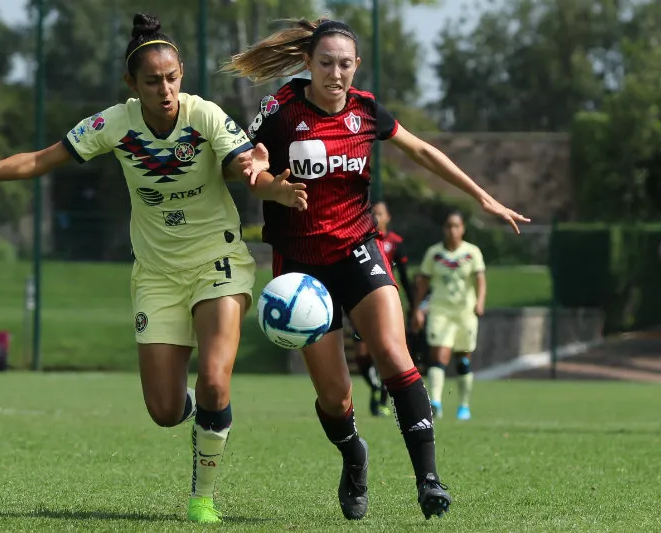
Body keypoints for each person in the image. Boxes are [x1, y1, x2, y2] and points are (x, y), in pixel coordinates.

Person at [0, 13, 304, 524]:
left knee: (214, 381)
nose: (165, 89)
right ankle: (204, 412)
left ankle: (203, 495)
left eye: (173, 77)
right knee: (163, 410)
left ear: (182, 74)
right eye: (153, 80)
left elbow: (245, 167)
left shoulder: (204, 116)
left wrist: (269, 183)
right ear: (132, 85)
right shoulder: (113, 124)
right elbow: (37, 161)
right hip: (157, 275)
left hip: (216, 262)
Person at [224, 18, 529, 521]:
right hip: (301, 267)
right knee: (335, 395)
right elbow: (245, 168)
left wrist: (482, 197)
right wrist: (267, 185)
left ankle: (429, 479)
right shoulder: (280, 110)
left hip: (358, 251)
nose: (335, 73)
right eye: (326, 63)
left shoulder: (366, 111)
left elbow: (423, 151)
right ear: (309, 64)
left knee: (394, 353)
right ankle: (354, 456)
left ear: (357, 66)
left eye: (345, 64)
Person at [412, 211, 486, 421]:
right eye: (448, 226)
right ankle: (435, 403)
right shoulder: (434, 253)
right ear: (444, 229)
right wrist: (417, 309)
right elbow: (423, 283)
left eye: (456, 226)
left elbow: (480, 279)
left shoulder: (472, 253)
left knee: (463, 360)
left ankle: (463, 405)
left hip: (464, 313)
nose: (452, 230)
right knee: (438, 355)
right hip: (440, 311)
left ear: (462, 229)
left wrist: (480, 302)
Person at [352, 202, 414, 417]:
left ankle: (381, 399)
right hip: (361, 302)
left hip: (387, 305)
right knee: (361, 355)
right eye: (373, 213)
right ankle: (376, 386)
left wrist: (414, 307)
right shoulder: (360, 240)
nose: (376, 217)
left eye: (380, 213)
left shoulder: (395, 243)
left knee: (385, 351)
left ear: (388, 217)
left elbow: (405, 278)